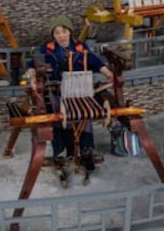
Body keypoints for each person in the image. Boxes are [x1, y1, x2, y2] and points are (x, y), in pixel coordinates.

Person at [25, 16, 114, 172]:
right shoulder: (47, 49)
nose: (61, 36)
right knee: (59, 119)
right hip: (57, 90)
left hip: (79, 91)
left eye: (64, 31)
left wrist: (108, 73)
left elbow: (95, 62)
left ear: (70, 32)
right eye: (57, 33)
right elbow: (33, 64)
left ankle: (86, 150)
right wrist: (32, 75)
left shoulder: (80, 48)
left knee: (83, 116)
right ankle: (61, 152)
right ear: (53, 35)